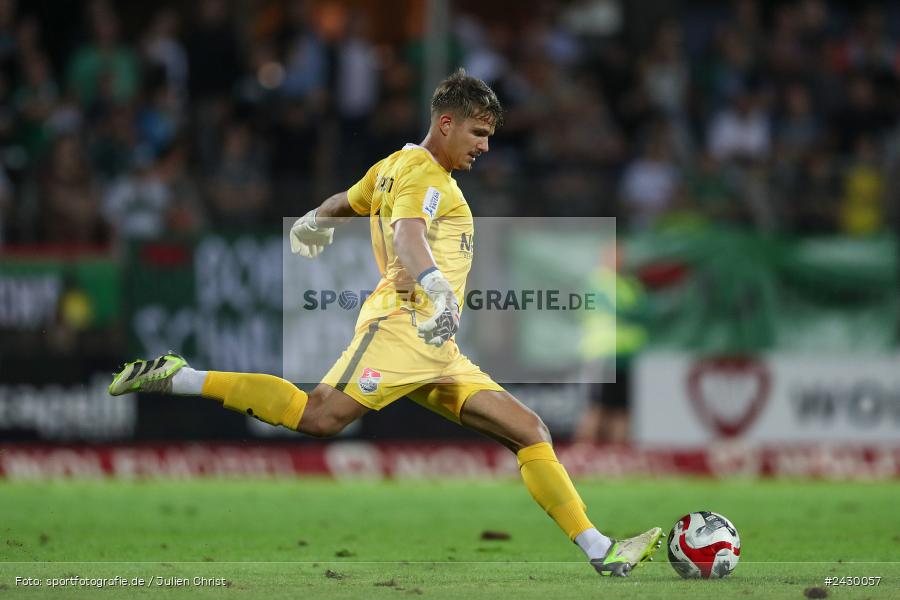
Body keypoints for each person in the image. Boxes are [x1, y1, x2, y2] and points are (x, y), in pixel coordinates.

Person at [109, 69, 662, 577]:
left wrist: (313, 219)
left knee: (529, 431)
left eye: (489, 135)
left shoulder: (394, 165)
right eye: (476, 133)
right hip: (402, 327)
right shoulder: (425, 175)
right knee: (319, 417)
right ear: (445, 123)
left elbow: (350, 200)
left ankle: (600, 551)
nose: (485, 147)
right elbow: (408, 237)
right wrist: (438, 288)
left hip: (437, 347)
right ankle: (181, 376)